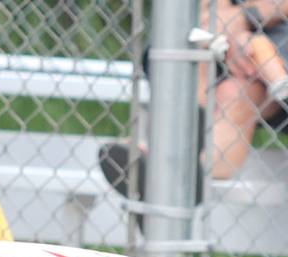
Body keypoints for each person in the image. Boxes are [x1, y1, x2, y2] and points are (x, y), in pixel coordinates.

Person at [98, 0, 288, 213]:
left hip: (274, 44)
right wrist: (223, 30)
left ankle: (168, 169)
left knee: (248, 68)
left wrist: (245, 19)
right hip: (235, 60)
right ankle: (187, 167)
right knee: (219, 73)